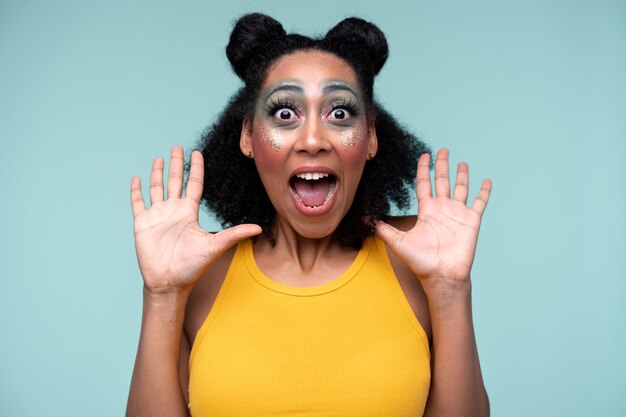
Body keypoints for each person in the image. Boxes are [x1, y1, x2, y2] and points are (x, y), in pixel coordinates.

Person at [126, 13, 492, 417]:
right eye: (285, 113)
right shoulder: (199, 274)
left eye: (339, 113)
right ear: (248, 136)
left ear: (370, 138)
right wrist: (160, 296)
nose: (314, 140)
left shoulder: (419, 259)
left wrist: (451, 289)